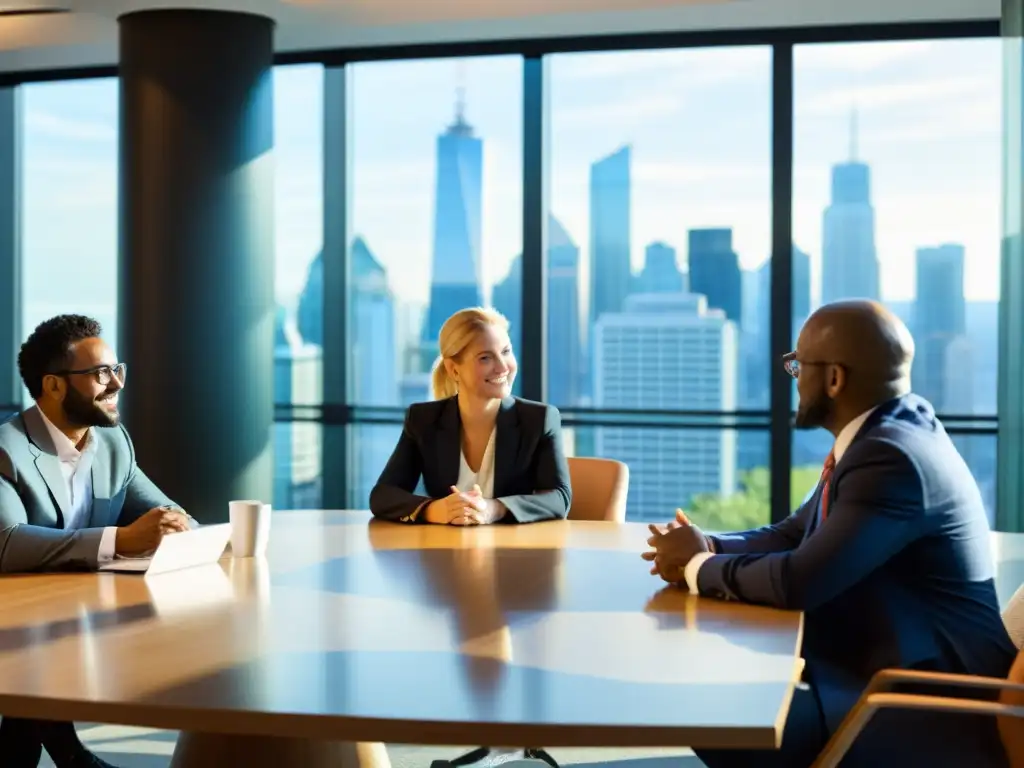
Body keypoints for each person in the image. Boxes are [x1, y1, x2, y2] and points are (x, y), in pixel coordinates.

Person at [643, 300, 1016, 768]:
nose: (795, 378)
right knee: (713, 686)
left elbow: (802, 581)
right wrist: (709, 544)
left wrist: (697, 567)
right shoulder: (883, 434)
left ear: (835, 378)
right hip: (873, 668)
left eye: (799, 365)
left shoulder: (892, 456)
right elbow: (796, 531)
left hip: (922, 703)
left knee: (708, 709)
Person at [0, 314, 196, 768]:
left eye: (117, 370)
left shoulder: (112, 444)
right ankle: (72, 758)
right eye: (100, 374)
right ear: (53, 386)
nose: (117, 384)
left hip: (60, 616)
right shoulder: (8, 449)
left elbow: (169, 512)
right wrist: (120, 538)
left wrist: (180, 528)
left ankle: (69, 757)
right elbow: (7, 543)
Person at [370, 307, 571, 525]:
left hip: (513, 551)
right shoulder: (423, 420)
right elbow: (383, 495)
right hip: (441, 551)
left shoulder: (539, 420)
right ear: (454, 370)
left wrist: (495, 508)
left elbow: (559, 498)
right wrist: (433, 510)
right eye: (485, 358)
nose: (503, 367)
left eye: (506, 352)